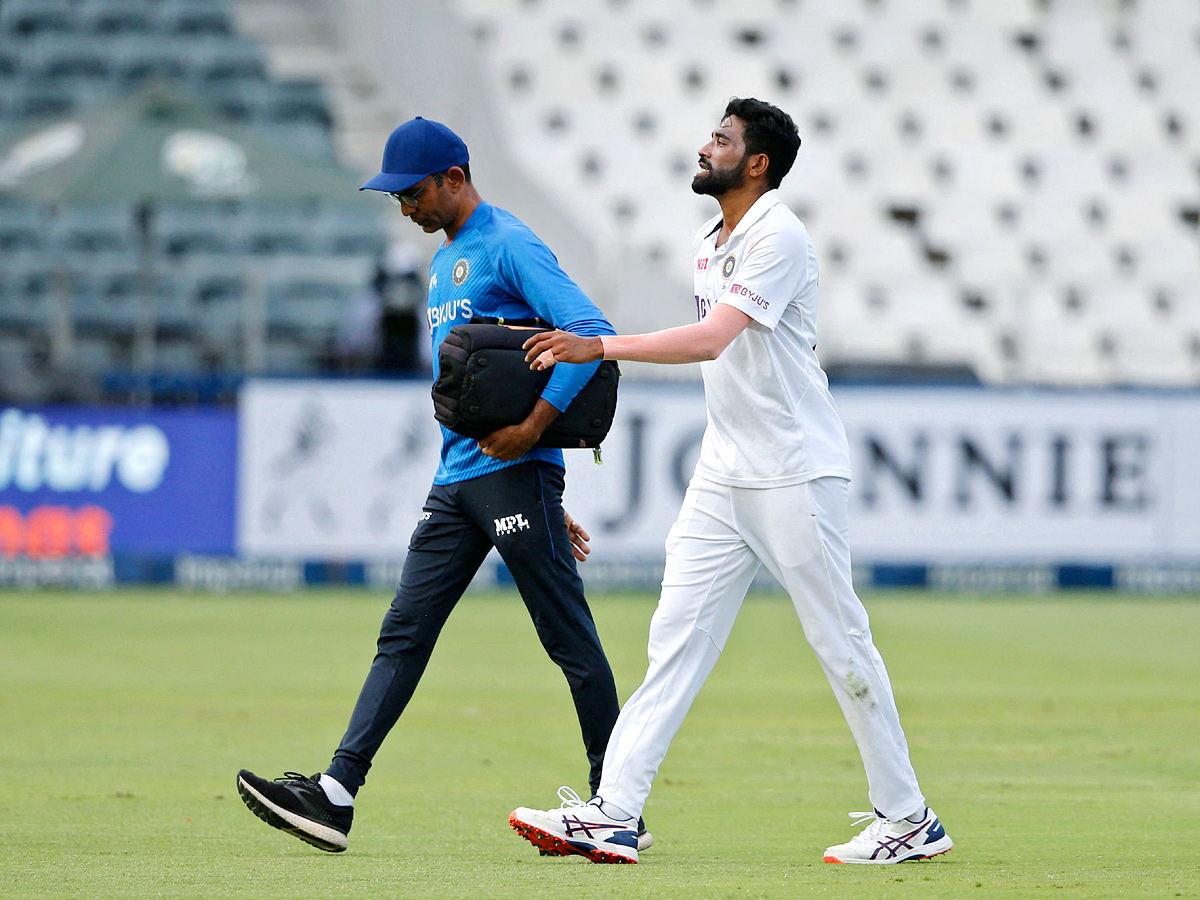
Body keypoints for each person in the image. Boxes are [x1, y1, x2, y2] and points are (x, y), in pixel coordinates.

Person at [509, 98, 952, 865]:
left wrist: (600, 348)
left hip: (792, 469)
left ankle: (908, 817)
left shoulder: (779, 235)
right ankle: (615, 811)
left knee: (841, 645)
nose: (704, 146)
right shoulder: (710, 239)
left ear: (757, 164)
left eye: (721, 139)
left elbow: (714, 341)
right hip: (724, 470)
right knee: (675, 640)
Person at [236, 116, 650, 854]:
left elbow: (588, 333)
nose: (405, 207)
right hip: (456, 482)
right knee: (403, 634)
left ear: (454, 178)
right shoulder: (444, 258)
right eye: (397, 196)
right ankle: (335, 795)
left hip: (513, 476)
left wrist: (534, 437)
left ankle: (619, 806)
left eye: (413, 192)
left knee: (569, 642)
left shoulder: (511, 244)